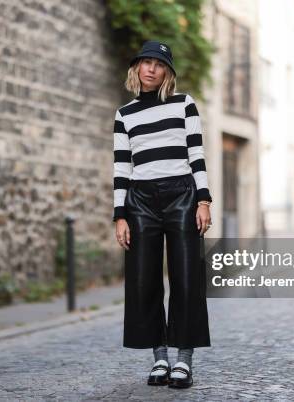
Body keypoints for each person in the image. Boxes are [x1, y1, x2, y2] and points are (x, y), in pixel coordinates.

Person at [112, 40, 213, 389]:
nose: (151, 69)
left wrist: (203, 200)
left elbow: (196, 155)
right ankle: (160, 357)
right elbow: (122, 167)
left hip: (182, 195)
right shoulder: (124, 115)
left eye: (159, 64)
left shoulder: (184, 104)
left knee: (186, 278)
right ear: (136, 68)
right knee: (144, 280)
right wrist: (119, 214)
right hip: (140, 201)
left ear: (167, 71)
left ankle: (183, 359)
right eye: (146, 62)